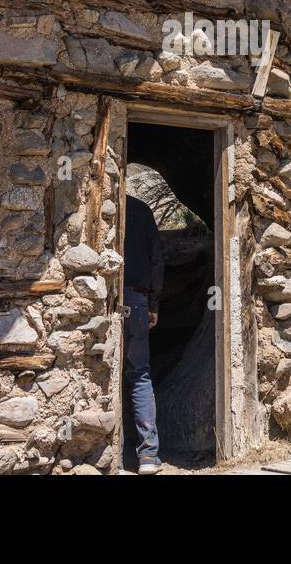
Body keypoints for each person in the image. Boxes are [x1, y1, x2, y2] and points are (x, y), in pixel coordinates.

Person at [123, 193, 164, 474]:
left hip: (106, 298)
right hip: (138, 301)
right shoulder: (140, 210)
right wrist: (153, 304)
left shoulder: (100, 200)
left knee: (100, 373)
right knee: (140, 375)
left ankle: (103, 451)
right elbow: (156, 260)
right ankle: (148, 456)